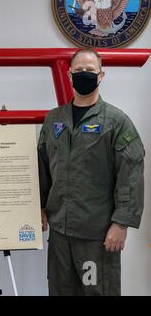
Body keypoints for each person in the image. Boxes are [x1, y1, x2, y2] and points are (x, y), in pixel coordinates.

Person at [38, 49, 145, 296]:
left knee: (97, 291)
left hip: (96, 235)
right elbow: (42, 165)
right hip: (60, 233)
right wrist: (39, 207)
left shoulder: (115, 122)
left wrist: (121, 223)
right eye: (79, 71)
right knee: (60, 291)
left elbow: (131, 172)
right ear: (69, 74)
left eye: (90, 71)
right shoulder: (54, 120)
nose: (84, 75)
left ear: (101, 75)